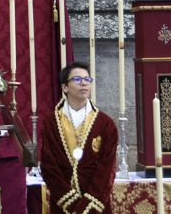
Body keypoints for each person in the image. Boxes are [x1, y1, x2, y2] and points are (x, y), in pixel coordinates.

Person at [40, 62, 117, 214]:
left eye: (87, 80)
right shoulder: (51, 122)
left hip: (96, 206)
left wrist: (87, 206)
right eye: (77, 79)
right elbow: (49, 166)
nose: (83, 83)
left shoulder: (106, 123)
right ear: (65, 87)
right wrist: (71, 204)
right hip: (63, 205)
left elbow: (107, 169)